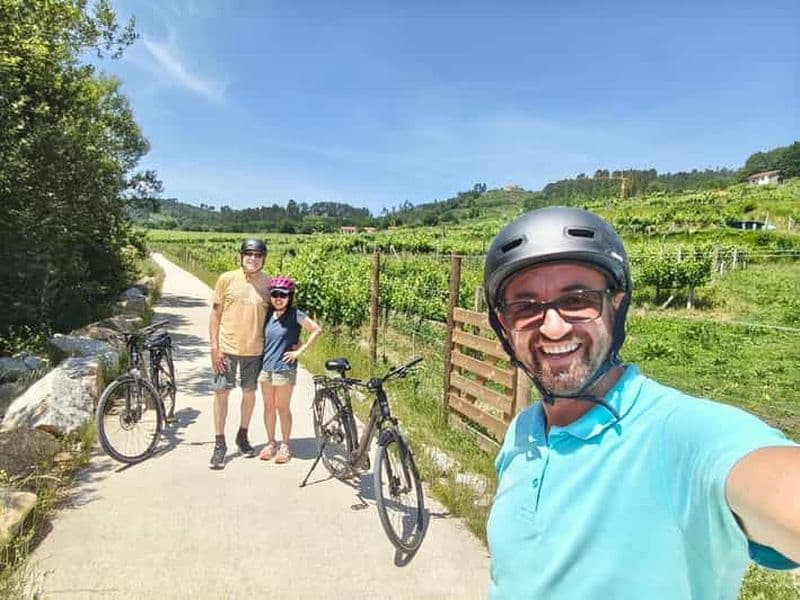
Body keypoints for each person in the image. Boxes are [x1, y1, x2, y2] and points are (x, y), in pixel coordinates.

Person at [482, 206, 800, 599]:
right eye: (525, 307)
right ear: (503, 325)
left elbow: (775, 484)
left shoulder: (681, 433)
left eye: (577, 299)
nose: (553, 327)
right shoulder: (523, 431)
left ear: (616, 304)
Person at [208, 238, 270, 469]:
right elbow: (215, 315)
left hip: (254, 350)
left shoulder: (268, 283)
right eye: (249, 254)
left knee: (249, 394)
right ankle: (219, 443)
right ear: (241, 256)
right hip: (226, 349)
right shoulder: (226, 279)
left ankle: (242, 435)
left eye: (257, 255)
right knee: (221, 393)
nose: (252, 259)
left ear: (263, 259)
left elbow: (278, 317)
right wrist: (214, 348)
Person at [258, 275, 322, 464]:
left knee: (282, 407)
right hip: (266, 368)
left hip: (284, 368)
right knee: (268, 406)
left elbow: (316, 329)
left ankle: (285, 444)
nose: (278, 298)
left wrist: (299, 351)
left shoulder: (295, 315)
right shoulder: (268, 314)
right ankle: (271, 443)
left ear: (289, 296)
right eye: (275, 294)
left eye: (283, 295)